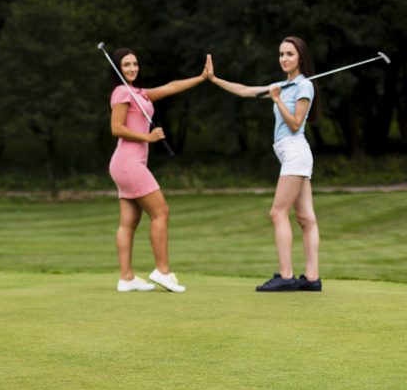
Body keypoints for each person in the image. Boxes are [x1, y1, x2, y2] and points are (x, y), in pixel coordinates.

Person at [209, 36, 321, 292]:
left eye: (289, 54)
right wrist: (215, 80)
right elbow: (246, 90)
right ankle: (312, 278)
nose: (284, 59)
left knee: (277, 212)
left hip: (295, 151)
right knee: (305, 218)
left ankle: (286, 275)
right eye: (281, 54)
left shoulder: (304, 86)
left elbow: (295, 124)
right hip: (291, 154)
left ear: (300, 58)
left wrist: (277, 100)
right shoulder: (283, 85)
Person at [109, 48, 212, 293]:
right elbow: (116, 128)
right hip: (128, 163)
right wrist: (148, 136)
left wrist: (200, 77)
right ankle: (162, 271)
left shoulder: (139, 92)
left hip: (126, 164)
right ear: (118, 69)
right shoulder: (122, 92)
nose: (132, 68)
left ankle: (126, 278)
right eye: (126, 65)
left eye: (135, 63)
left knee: (129, 222)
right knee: (161, 211)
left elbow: (170, 87)